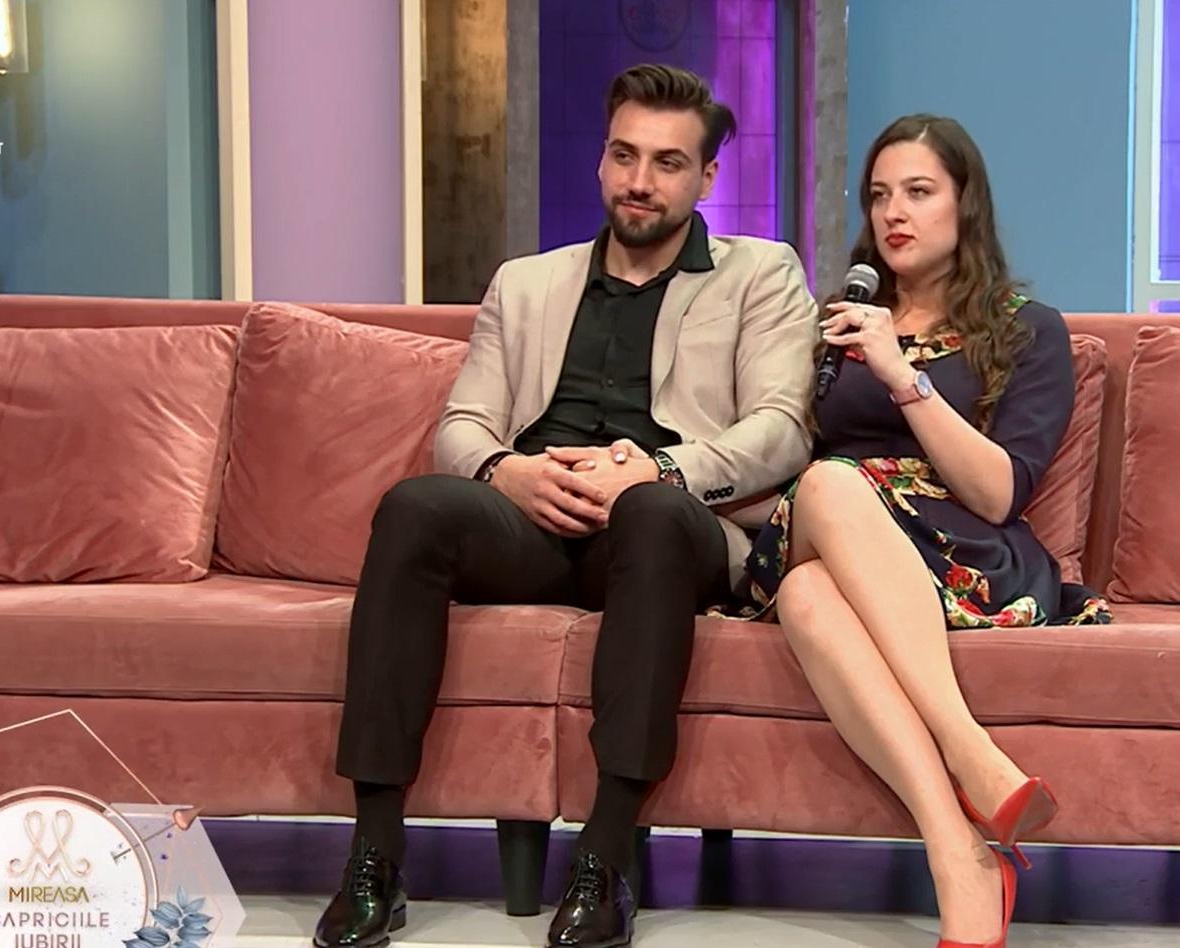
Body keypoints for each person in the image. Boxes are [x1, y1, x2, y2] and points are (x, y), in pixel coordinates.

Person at [315, 64, 816, 948]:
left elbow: (781, 429)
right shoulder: (526, 283)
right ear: (600, 161)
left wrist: (658, 471)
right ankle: (375, 858)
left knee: (651, 516)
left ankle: (605, 858)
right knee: (414, 508)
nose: (638, 180)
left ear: (706, 177)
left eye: (667, 163)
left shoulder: (760, 274)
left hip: (667, 526)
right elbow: (462, 427)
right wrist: (507, 473)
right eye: (623, 155)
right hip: (536, 523)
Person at [743, 114, 1112, 948]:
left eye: (917, 192)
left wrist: (901, 375)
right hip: (835, 522)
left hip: (960, 550)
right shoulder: (838, 321)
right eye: (879, 196)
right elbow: (790, 450)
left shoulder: (1026, 328)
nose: (893, 213)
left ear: (964, 203)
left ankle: (958, 835)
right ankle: (965, 787)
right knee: (826, 496)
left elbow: (998, 492)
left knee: (808, 593)